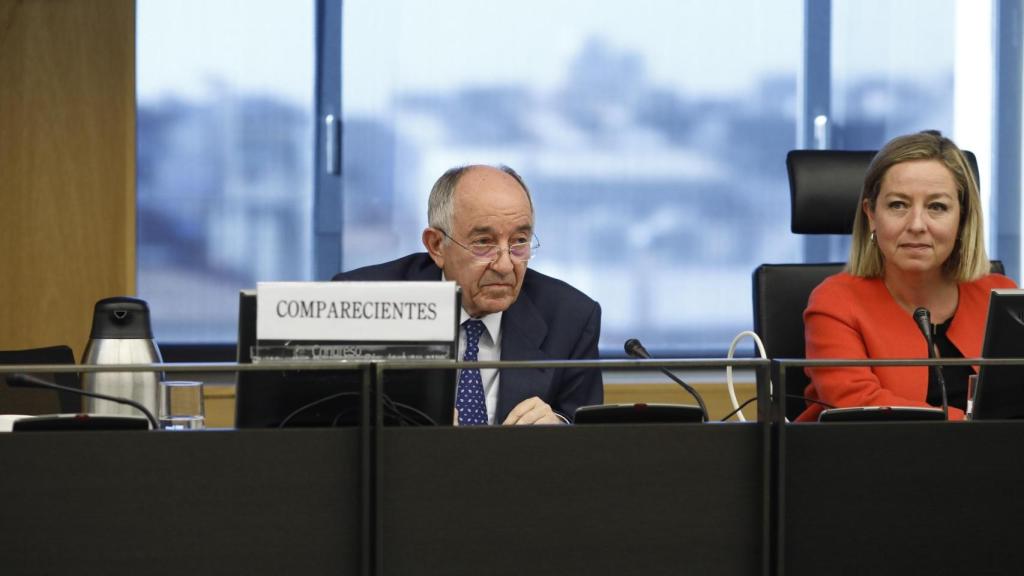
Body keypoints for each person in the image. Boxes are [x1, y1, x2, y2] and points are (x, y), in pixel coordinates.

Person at [333, 164, 603, 425]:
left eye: (519, 241)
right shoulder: (365, 302)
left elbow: (589, 439)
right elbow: (333, 420)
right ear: (437, 245)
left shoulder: (570, 317)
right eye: (483, 243)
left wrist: (559, 428)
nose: (505, 265)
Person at [799, 130, 1017, 422]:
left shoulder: (1000, 295)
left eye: (937, 207)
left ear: (962, 219)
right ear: (872, 215)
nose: (916, 224)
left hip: (994, 463)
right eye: (898, 205)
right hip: (872, 461)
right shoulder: (835, 302)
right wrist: (973, 428)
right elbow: (858, 404)